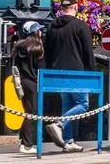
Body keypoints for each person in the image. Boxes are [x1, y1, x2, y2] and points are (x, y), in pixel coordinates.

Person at [42, 0, 91, 151]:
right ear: (76, 7)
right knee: (83, 104)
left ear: (62, 8)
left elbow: (47, 52)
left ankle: (69, 141)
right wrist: (91, 72)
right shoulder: (80, 26)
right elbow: (87, 53)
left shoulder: (51, 27)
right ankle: (59, 124)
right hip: (76, 72)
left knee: (67, 104)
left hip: (57, 71)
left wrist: (50, 69)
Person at [10, 22, 67, 154]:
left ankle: (25, 141)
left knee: (29, 110)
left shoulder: (19, 47)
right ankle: (27, 145)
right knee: (33, 112)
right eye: (39, 30)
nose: (41, 32)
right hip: (34, 82)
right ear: (36, 32)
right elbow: (41, 68)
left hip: (23, 82)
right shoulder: (37, 48)